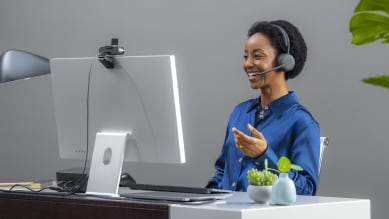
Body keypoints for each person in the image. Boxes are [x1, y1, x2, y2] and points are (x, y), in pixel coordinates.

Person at [206, 20, 320, 195]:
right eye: (246, 56)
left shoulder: (302, 122)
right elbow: (222, 172)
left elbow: (307, 190)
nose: (248, 64)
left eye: (257, 56)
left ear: (284, 62)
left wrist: (264, 154)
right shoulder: (239, 112)